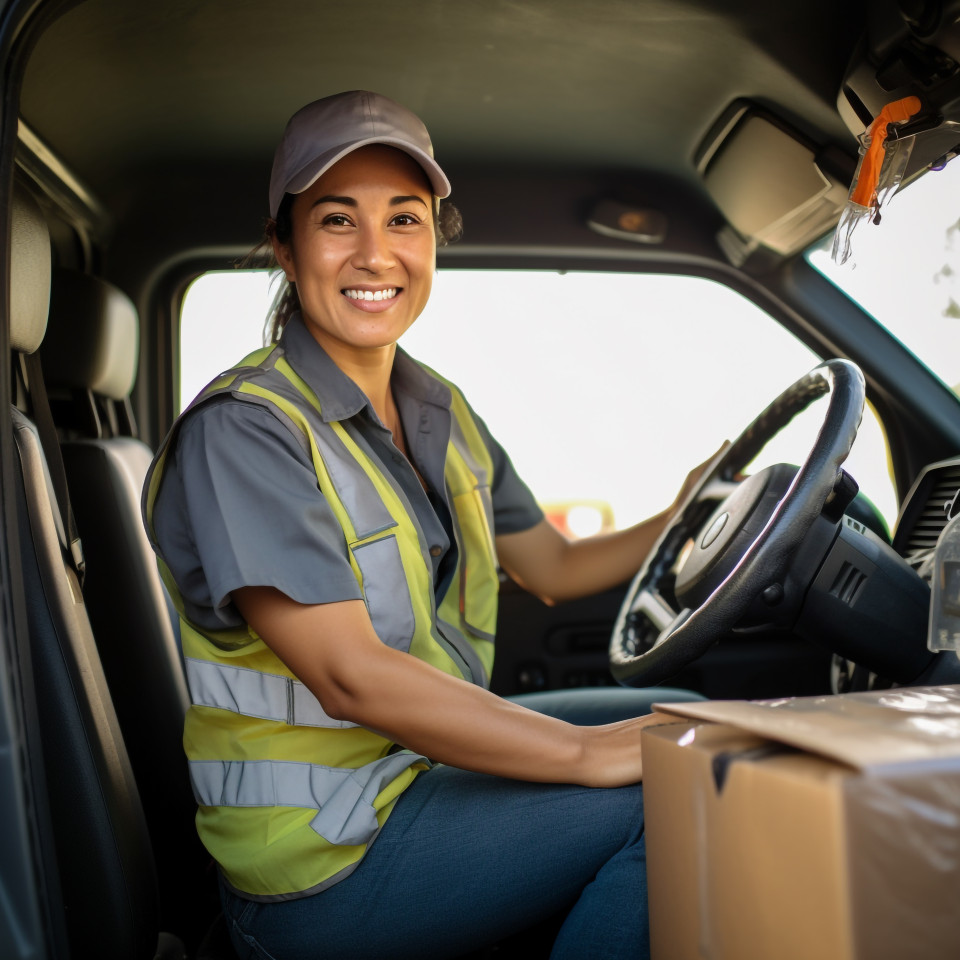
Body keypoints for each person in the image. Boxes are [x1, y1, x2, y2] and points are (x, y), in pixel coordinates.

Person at [143, 90, 713, 960]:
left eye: (403, 219)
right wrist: (586, 755)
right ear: (286, 250)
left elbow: (553, 564)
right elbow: (351, 678)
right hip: (320, 861)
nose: (376, 254)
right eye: (338, 220)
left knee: (685, 719)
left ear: (433, 239)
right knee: (674, 787)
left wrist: (682, 514)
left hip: (414, 777)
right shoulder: (247, 429)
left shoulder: (438, 408)